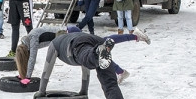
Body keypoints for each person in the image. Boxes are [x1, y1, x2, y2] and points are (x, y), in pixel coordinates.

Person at [37, 32, 136, 99]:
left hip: (79, 44)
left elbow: (47, 69)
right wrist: (84, 90)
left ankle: (98, 52)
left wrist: (41, 91)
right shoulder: (73, 35)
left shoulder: (54, 43)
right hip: (97, 40)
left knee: (86, 56)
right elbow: (85, 67)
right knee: (110, 83)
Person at [16, 25, 147, 86]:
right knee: (99, 55)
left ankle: (135, 35)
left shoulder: (32, 39)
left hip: (71, 35)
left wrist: (27, 77)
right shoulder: (28, 40)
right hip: (68, 37)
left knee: (102, 43)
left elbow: (32, 58)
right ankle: (121, 71)